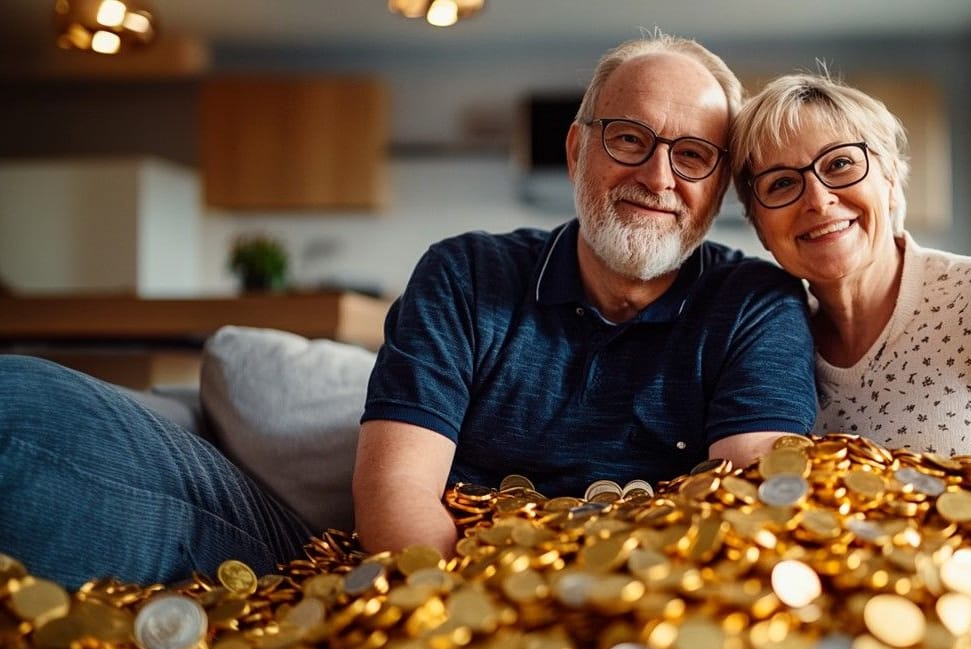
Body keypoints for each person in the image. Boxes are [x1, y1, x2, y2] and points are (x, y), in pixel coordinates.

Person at [0, 34, 816, 589]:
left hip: (653, 605)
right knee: (27, 403)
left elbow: (750, 507)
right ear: (578, 151)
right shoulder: (465, 273)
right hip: (431, 586)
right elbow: (395, 491)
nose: (658, 175)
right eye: (629, 139)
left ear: (719, 185)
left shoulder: (755, 303)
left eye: (693, 154)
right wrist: (464, 626)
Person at [728, 73, 971, 473]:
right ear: (759, 225)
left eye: (840, 163)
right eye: (782, 183)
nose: (819, 200)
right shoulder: (765, 343)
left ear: (891, 180)